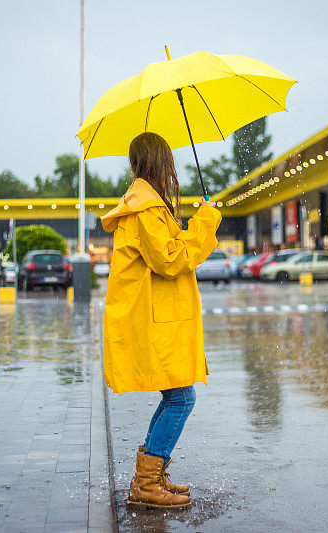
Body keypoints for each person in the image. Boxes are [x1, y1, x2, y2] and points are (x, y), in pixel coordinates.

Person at [100, 132, 222, 509]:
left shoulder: (147, 205)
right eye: (168, 160)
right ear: (159, 162)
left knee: (175, 394)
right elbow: (170, 260)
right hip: (155, 320)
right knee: (182, 397)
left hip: (157, 318)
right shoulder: (146, 208)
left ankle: (150, 477)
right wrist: (204, 225)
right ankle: (147, 482)